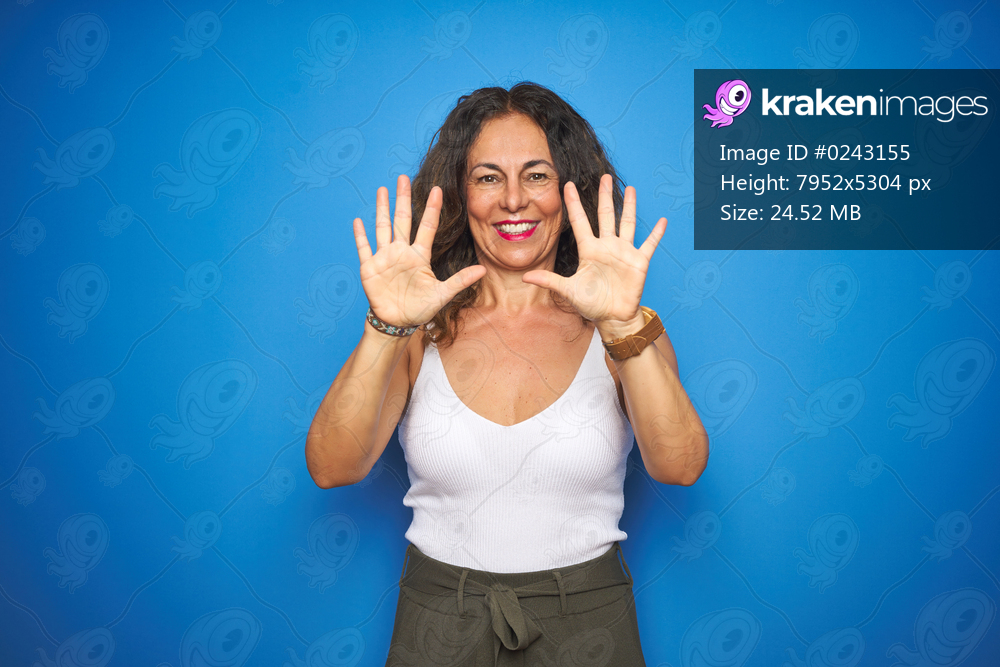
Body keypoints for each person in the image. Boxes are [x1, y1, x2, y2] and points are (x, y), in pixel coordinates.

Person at [305, 82, 708, 666]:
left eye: (537, 175)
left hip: (589, 621)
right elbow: (332, 467)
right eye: (488, 177)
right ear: (459, 194)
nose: (513, 200)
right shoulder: (417, 331)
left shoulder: (625, 329)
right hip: (440, 619)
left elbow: (680, 466)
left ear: (568, 191)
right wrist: (384, 326)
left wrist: (620, 325)